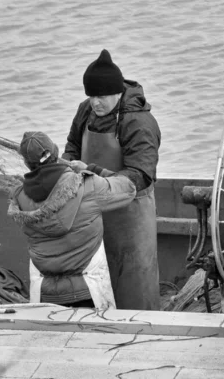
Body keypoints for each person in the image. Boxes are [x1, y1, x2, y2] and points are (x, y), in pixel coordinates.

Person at [62, 49, 161, 310]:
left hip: (130, 215)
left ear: (117, 93)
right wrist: (69, 167)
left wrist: (91, 171)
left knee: (133, 281)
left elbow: (140, 175)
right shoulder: (86, 110)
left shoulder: (139, 123)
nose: (96, 102)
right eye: (91, 96)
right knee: (94, 281)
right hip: (91, 213)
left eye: (102, 96)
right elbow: (72, 145)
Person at [8, 131, 136, 310]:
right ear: (56, 153)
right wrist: (92, 169)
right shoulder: (88, 184)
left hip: (43, 295)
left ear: (26, 163)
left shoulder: (19, 197)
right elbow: (129, 188)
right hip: (89, 291)